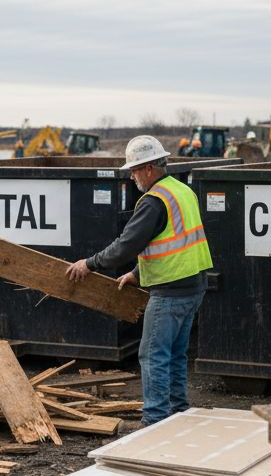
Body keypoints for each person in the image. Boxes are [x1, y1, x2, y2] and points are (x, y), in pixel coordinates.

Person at [65, 135, 212, 427]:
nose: (131, 176)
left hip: (170, 292)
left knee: (153, 355)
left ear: (148, 168)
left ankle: (155, 420)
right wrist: (137, 274)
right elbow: (174, 242)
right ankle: (179, 412)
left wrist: (89, 264)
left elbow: (125, 245)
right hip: (194, 285)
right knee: (175, 354)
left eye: (134, 169)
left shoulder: (153, 201)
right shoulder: (181, 190)